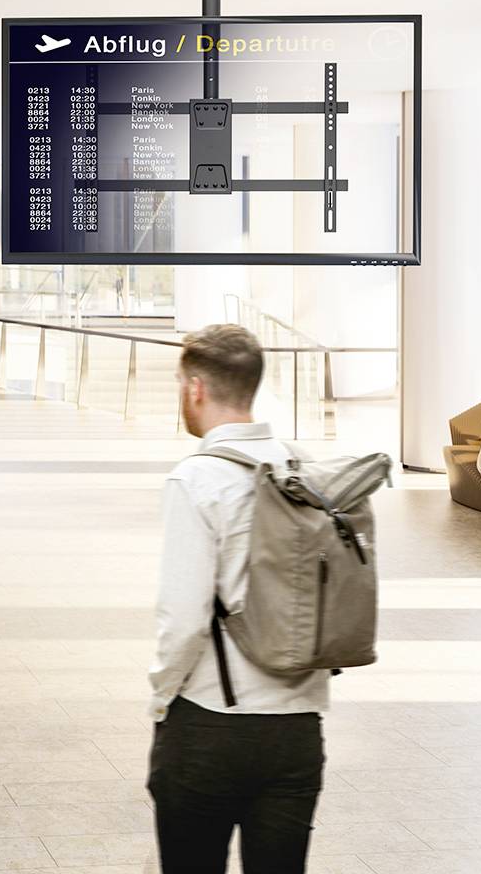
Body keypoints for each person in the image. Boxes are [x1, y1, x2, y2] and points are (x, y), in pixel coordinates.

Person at [148, 323, 328, 874]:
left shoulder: (197, 479)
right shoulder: (304, 471)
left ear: (195, 388)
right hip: (298, 729)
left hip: (210, 725)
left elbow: (183, 620)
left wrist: (160, 703)